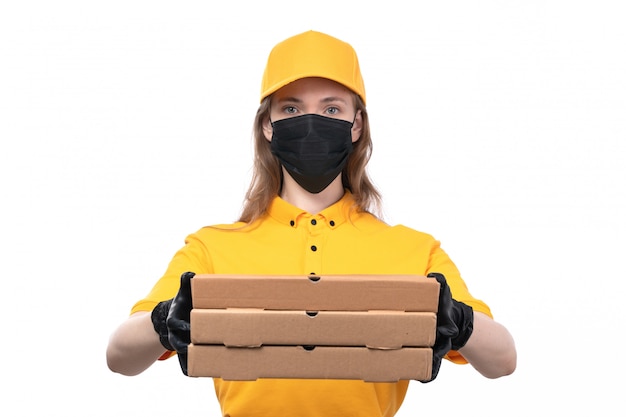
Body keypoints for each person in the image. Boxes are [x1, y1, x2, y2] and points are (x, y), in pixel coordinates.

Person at [106, 30, 516, 416]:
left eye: (332, 108)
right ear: (268, 125)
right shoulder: (212, 248)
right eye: (291, 108)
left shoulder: (413, 250)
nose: (311, 122)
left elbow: (502, 360)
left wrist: (460, 322)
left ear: (356, 125)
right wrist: (162, 321)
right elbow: (120, 357)